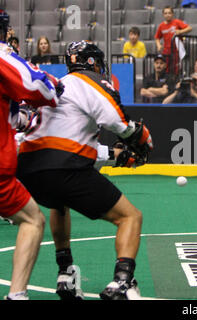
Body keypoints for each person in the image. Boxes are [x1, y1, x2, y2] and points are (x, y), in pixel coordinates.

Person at [16, 40, 153, 300]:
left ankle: (66, 273)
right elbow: (118, 122)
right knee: (130, 217)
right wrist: (141, 137)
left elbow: (68, 140)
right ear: (93, 62)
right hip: (65, 167)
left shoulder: (57, 84)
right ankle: (122, 282)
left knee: (59, 204)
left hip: (30, 167)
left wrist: (115, 156)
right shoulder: (92, 81)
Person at [0, 9, 61, 300]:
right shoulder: (3, 56)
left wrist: (18, 117)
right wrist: (54, 84)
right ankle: (17, 295)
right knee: (33, 220)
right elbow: (42, 89)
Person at [154, 6, 192, 74]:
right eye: (165, 13)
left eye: (169, 13)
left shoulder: (177, 22)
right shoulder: (161, 26)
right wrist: (158, 45)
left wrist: (180, 31)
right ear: (163, 15)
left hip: (176, 51)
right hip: (166, 52)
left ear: (172, 14)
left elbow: (189, 28)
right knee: (166, 70)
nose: (167, 15)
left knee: (176, 70)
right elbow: (157, 37)